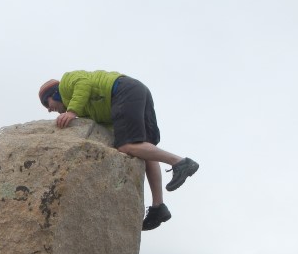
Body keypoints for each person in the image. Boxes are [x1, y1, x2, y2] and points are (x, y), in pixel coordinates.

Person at [38, 70, 198, 231]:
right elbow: (111, 124)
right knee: (144, 148)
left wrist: (72, 111)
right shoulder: (89, 109)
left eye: (47, 103)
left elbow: (83, 84)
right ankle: (158, 206)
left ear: (55, 93)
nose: (49, 109)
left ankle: (180, 163)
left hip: (122, 90)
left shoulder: (67, 81)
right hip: (135, 92)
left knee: (126, 145)